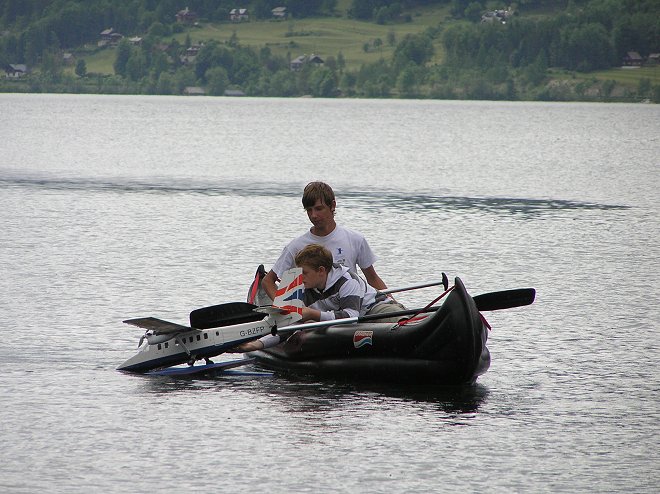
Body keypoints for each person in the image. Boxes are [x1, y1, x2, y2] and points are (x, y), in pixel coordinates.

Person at [236, 244, 406, 352]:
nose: (299, 278)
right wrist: (256, 345)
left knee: (400, 321)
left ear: (321, 271)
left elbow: (351, 317)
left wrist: (312, 314)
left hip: (374, 308)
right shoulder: (303, 288)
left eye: (304, 273)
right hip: (350, 322)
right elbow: (289, 323)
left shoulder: (346, 281)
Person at [261, 181, 389, 301]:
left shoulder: (355, 239)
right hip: (316, 315)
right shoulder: (295, 246)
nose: (313, 215)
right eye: (309, 210)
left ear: (332, 205)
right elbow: (268, 281)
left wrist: (394, 305)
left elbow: (372, 278)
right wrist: (286, 309)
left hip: (351, 308)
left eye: (318, 209)